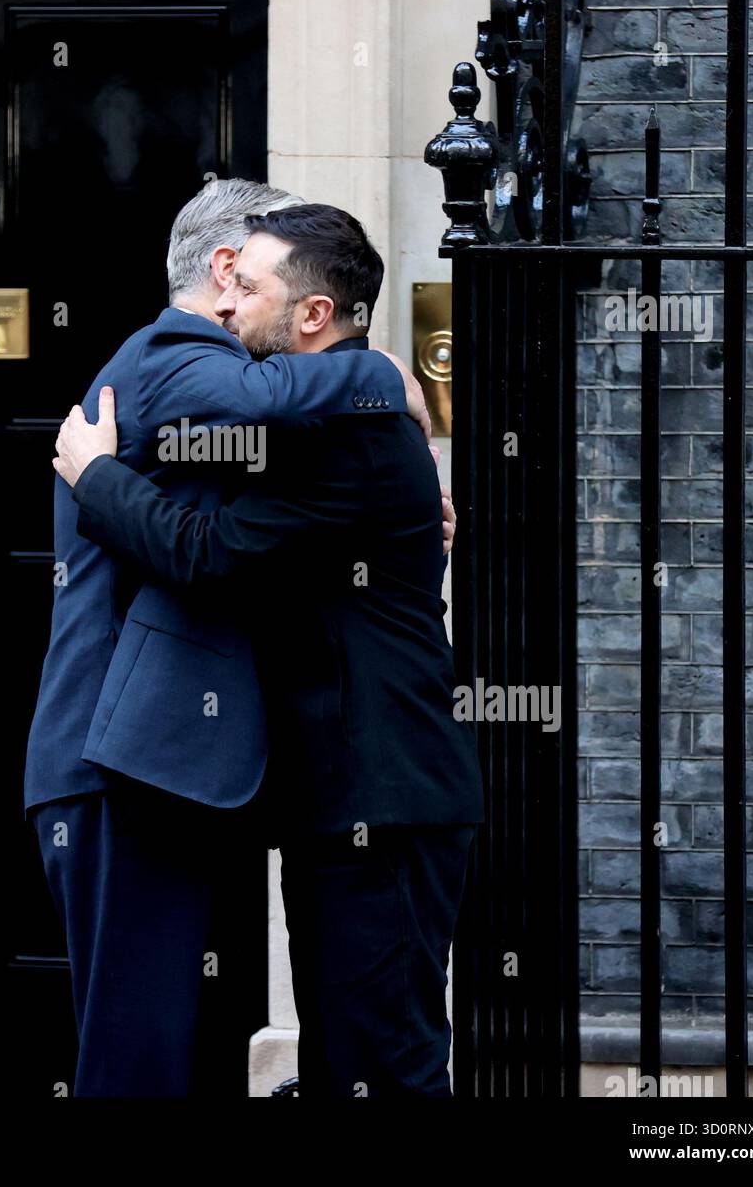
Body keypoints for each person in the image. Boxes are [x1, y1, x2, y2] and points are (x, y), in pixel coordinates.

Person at [53, 202, 485, 1098]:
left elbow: (207, 554)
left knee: (385, 1068)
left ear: (312, 316)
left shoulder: (350, 438)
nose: (225, 305)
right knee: (342, 1067)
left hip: (385, 798)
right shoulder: (324, 428)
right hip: (339, 806)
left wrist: (95, 475)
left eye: (246, 288)